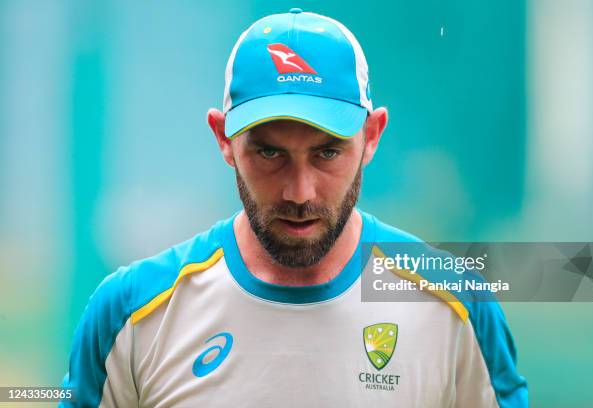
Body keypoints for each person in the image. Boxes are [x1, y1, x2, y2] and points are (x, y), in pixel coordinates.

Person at [60, 8, 527, 407]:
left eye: (327, 153)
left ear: (372, 136)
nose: (300, 193)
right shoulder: (132, 313)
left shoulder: (454, 303)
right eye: (269, 153)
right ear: (224, 139)